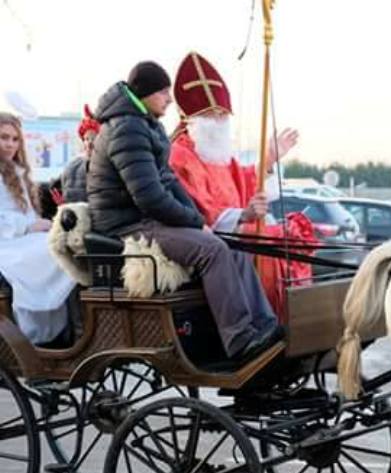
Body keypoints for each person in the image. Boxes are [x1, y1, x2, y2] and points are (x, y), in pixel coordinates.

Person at [86, 60, 283, 365]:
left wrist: (200, 223)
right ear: (147, 92)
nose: (169, 98)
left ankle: (264, 325)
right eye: (163, 92)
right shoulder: (127, 129)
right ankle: (240, 338)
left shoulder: (144, 124)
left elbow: (168, 184)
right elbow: (150, 197)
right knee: (214, 250)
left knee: (234, 244)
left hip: (146, 219)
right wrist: (196, 223)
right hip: (126, 225)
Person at [168, 51, 312, 319]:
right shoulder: (180, 155)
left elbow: (245, 181)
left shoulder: (219, 152)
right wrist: (243, 215)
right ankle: (269, 320)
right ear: (193, 119)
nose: (220, 121)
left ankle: (299, 315)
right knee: (265, 239)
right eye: (213, 115)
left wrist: (268, 159)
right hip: (210, 238)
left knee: (292, 232)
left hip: (237, 232)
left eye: (223, 114)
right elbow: (199, 209)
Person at [0, 112, 76, 343]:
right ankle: (35, 336)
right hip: (7, 242)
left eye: (15, 139)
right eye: (4, 137)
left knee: (62, 244)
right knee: (51, 251)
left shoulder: (18, 172)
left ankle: (59, 333)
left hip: (22, 237)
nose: (10, 144)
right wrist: (29, 226)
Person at [40, 104, 101, 220]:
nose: (89, 143)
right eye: (86, 139)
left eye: (94, 138)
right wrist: (61, 207)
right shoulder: (73, 166)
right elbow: (54, 190)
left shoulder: (110, 167)